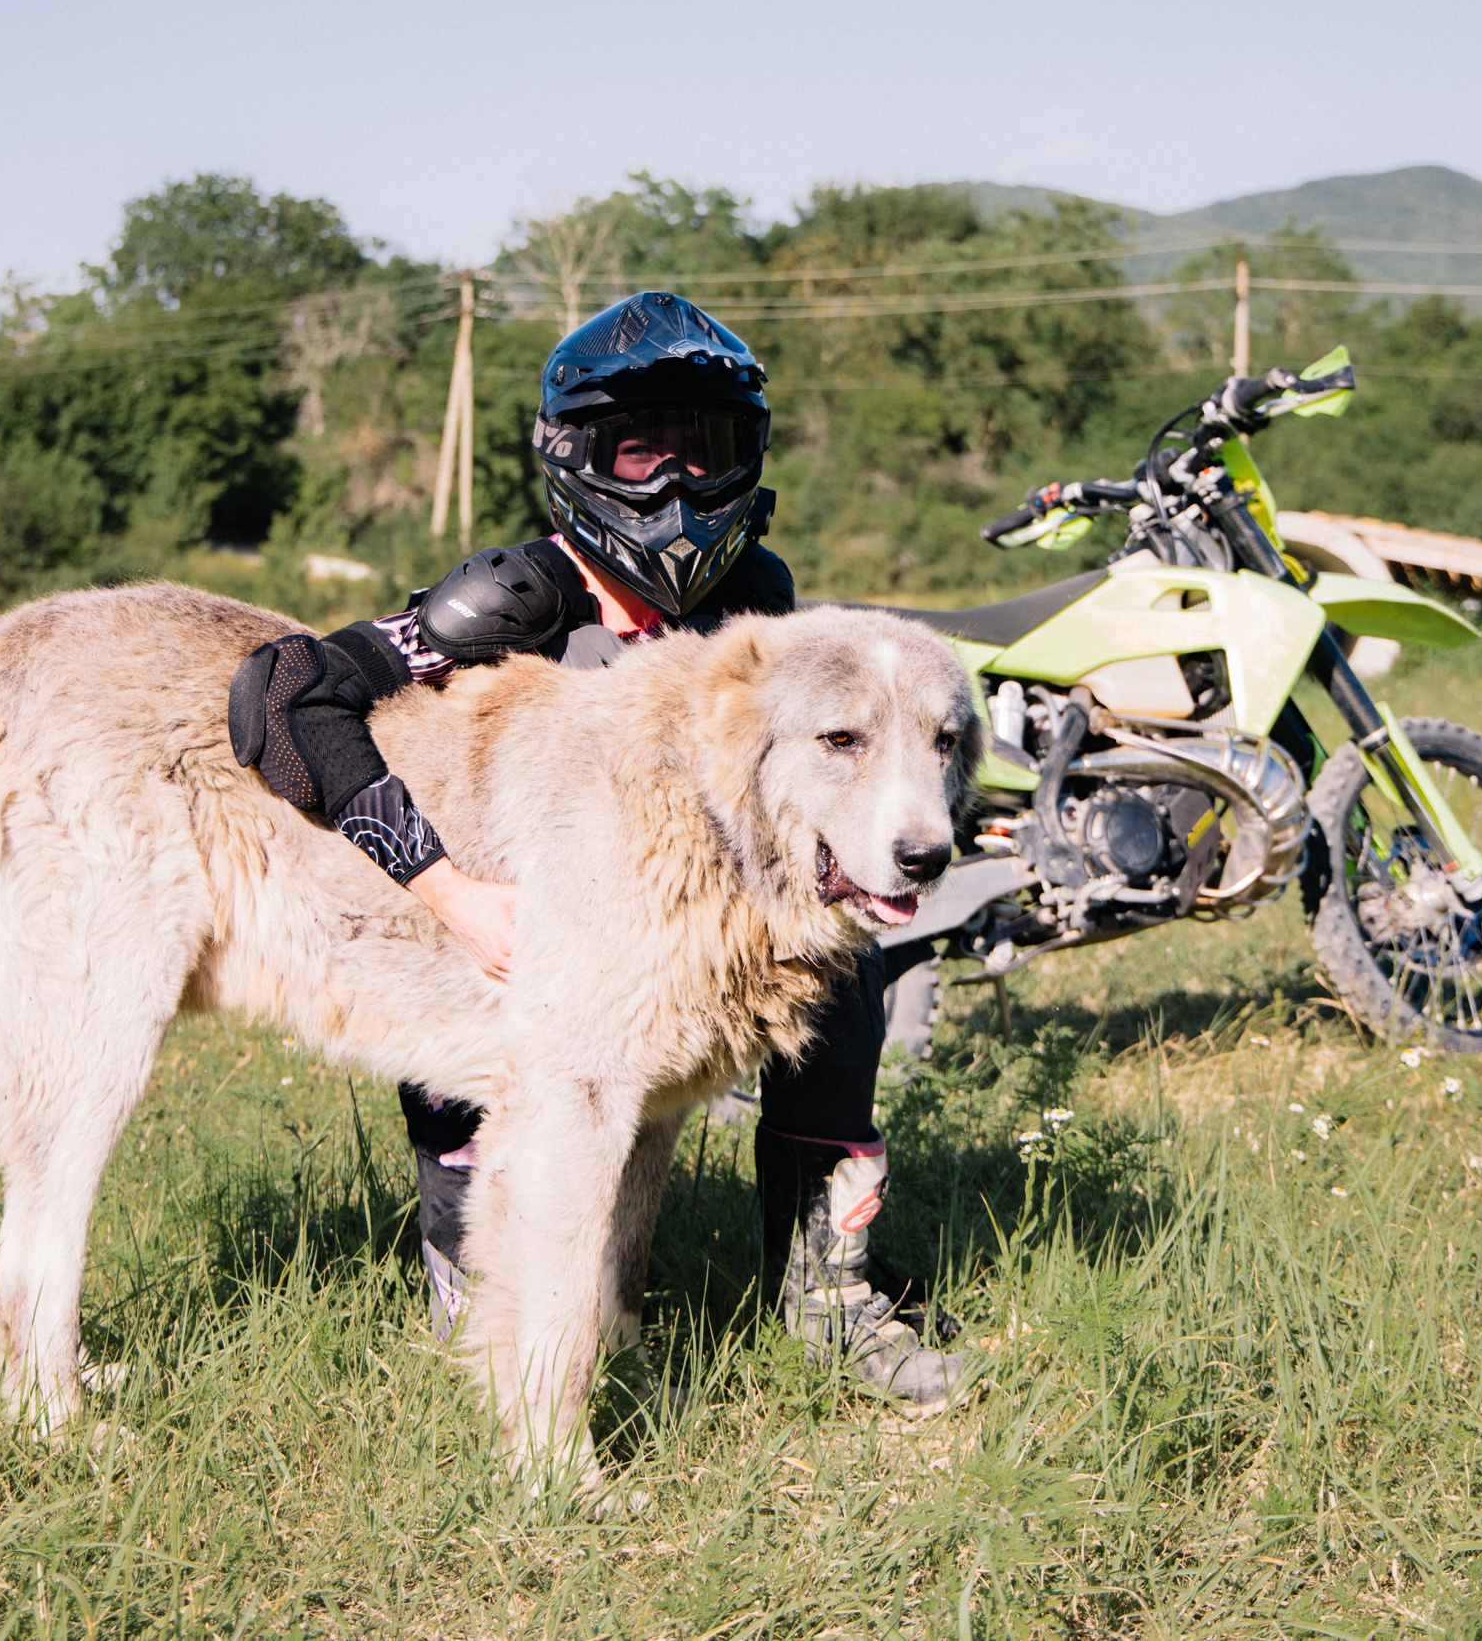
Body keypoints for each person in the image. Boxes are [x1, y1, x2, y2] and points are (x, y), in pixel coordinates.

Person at [229, 290, 965, 1411]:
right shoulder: (508, 599)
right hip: (496, 934)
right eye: (637, 450)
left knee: (847, 976)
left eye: (700, 449)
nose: (672, 484)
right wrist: (449, 888)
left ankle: (824, 1285)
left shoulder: (755, 600)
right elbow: (284, 696)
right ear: (579, 458)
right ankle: (508, 1303)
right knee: (494, 1264)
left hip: (667, 945)